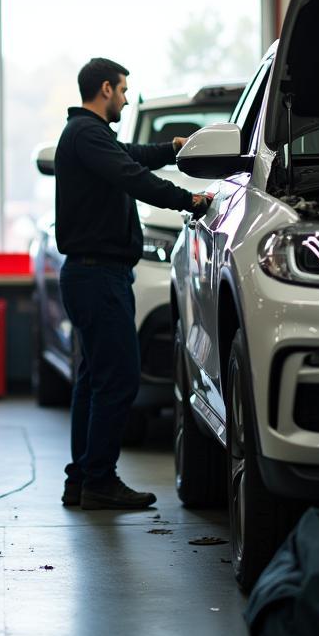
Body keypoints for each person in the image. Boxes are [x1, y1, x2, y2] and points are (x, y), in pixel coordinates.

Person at [55, 57, 208, 510]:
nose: (124, 98)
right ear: (105, 89)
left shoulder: (90, 135)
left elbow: (132, 157)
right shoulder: (86, 134)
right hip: (98, 275)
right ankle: (99, 480)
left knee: (94, 380)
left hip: (93, 274)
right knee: (119, 379)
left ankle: (81, 479)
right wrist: (190, 200)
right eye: (122, 90)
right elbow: (131, 176)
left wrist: (172, 147)